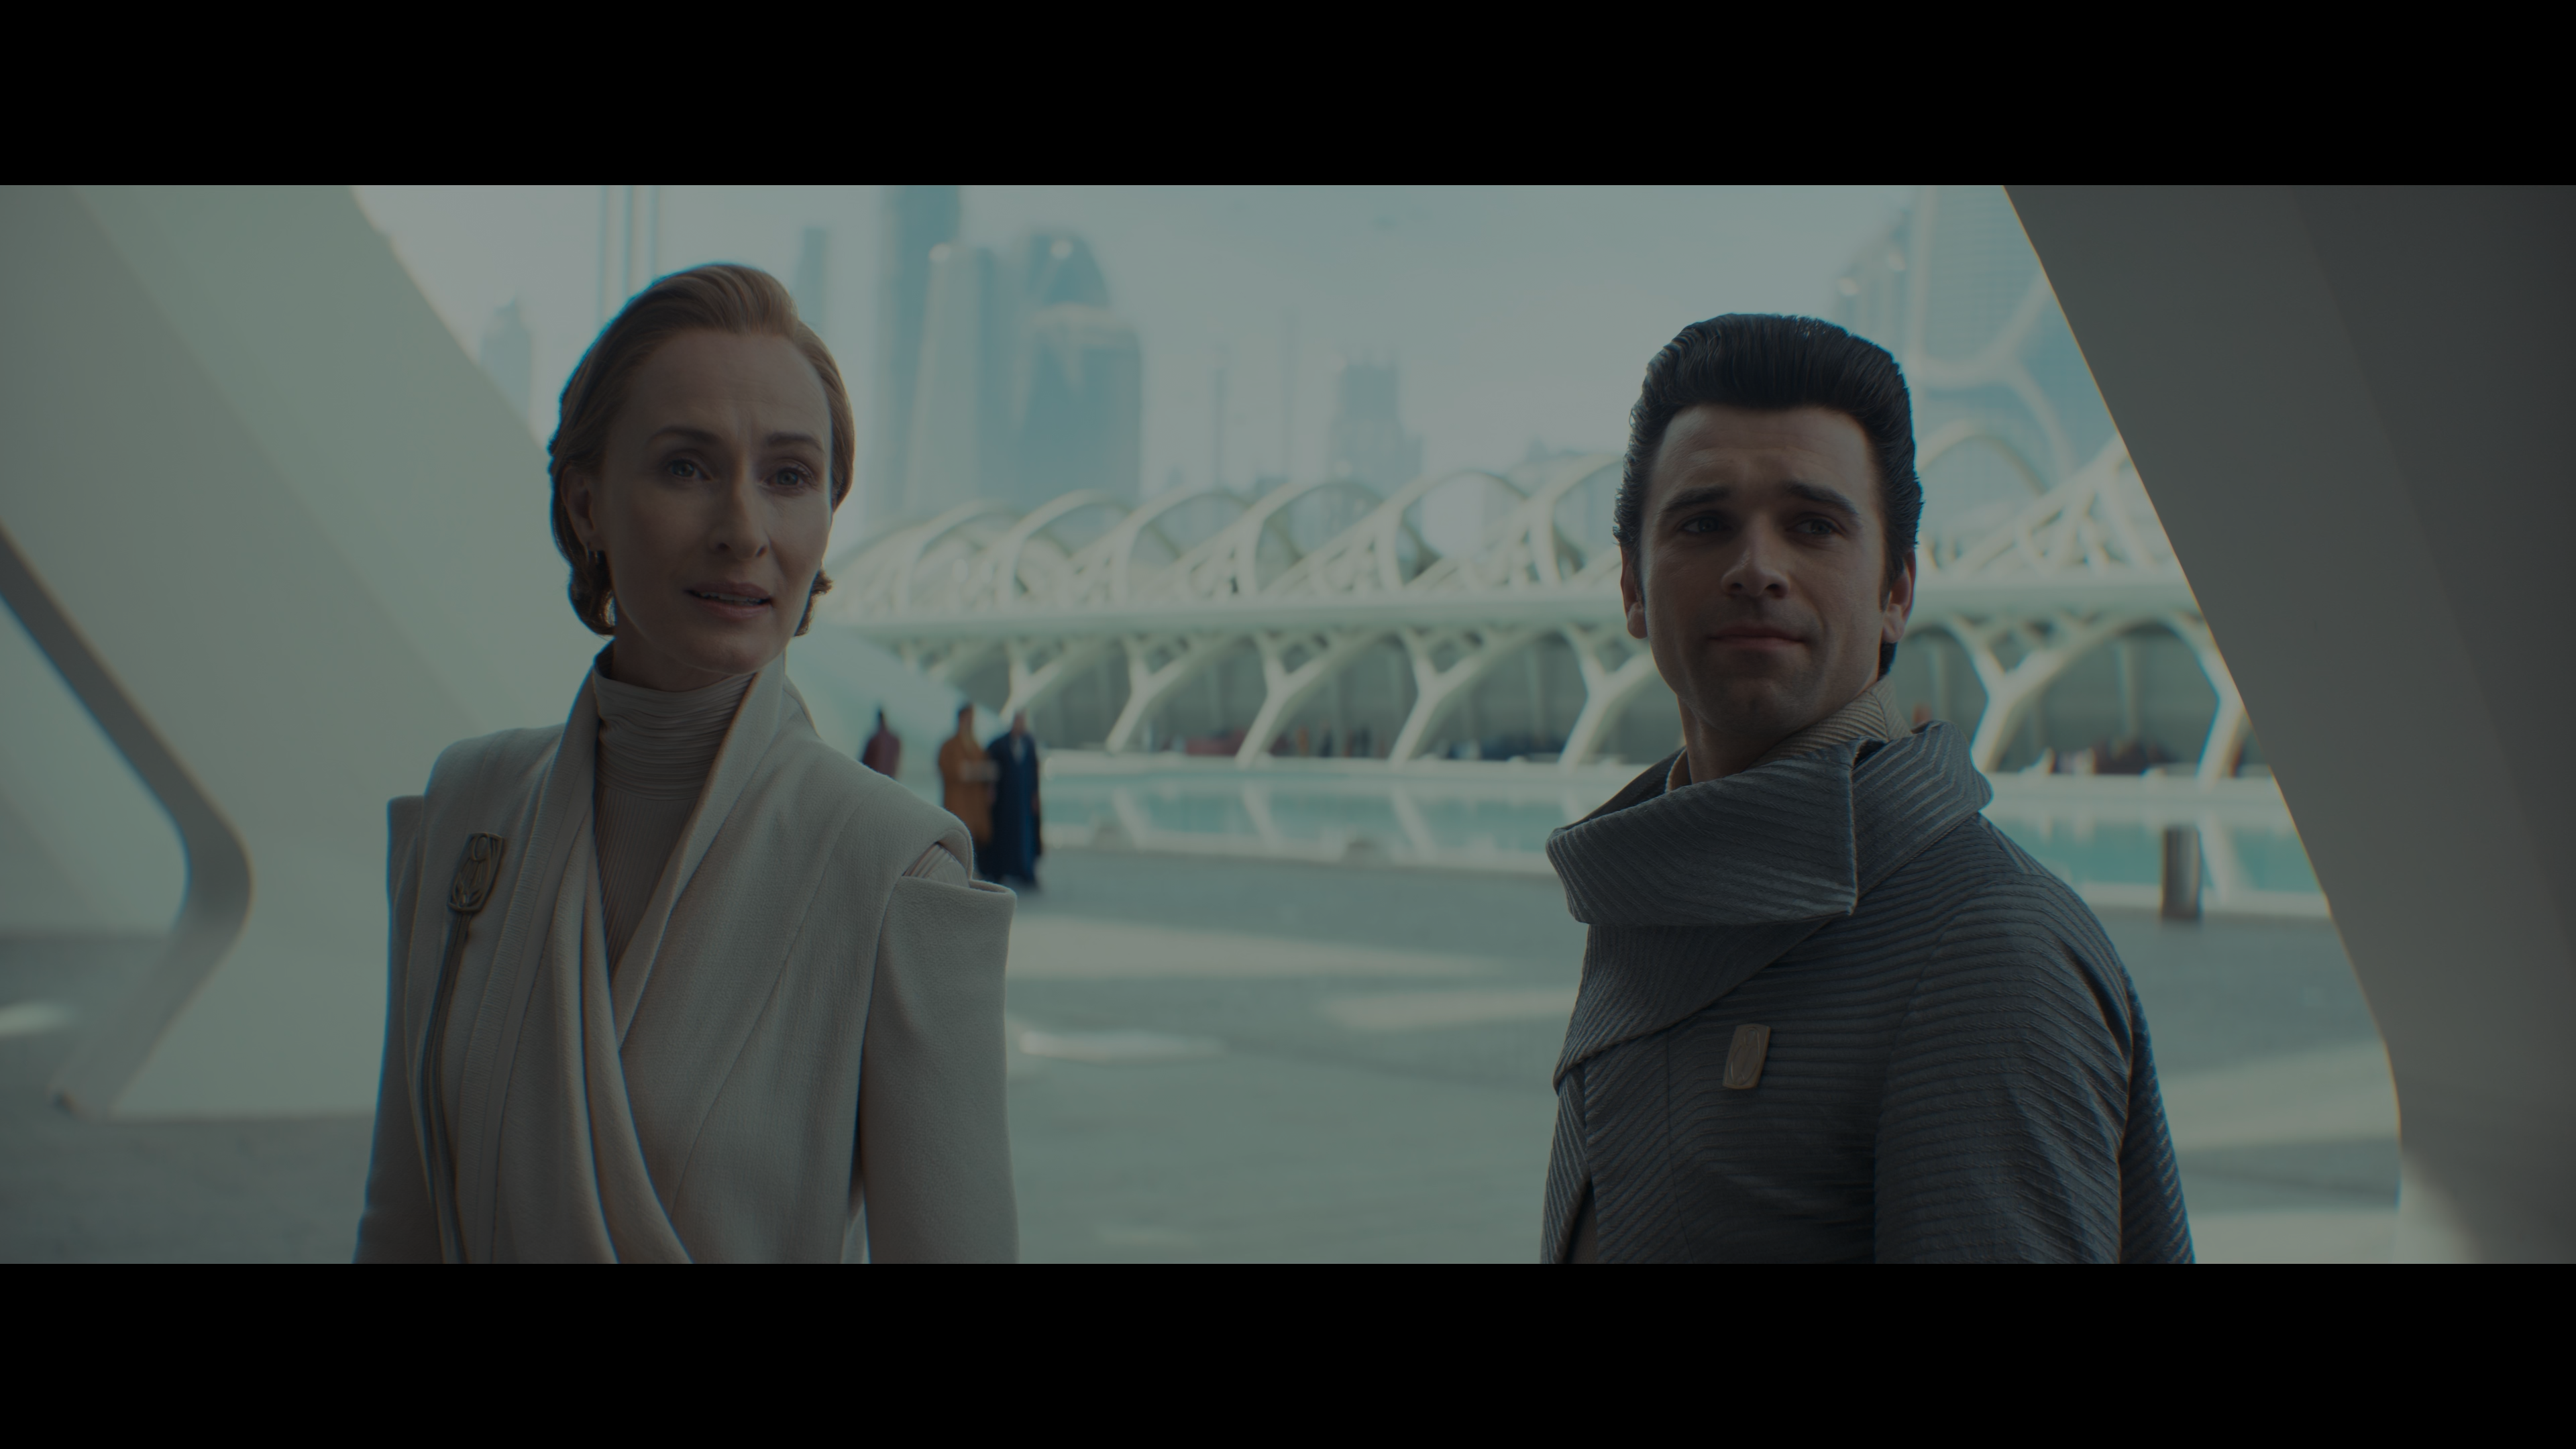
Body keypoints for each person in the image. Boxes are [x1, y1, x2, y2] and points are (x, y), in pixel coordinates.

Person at [356, 265, 1018, 1263]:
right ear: (586, 503)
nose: (745, 532)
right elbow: (399, 1223)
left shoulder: (899, 874)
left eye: (788, 477)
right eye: (686, 467)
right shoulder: (465, 809)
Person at [1542, 315, 2188, 1263]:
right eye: (1704, 523)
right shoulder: (1651, 889)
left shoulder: (1984, 951)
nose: (1756, 569)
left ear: (1898, 591)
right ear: (1633, 589)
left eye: (1813, 525)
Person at [982, 711, 1042, 889]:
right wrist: (990, 788)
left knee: (1025, 837)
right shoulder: (1000, 744)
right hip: (1005, 800)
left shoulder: (1029, 744)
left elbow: (1034, 772)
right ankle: (1001, 870)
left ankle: (1024, 871)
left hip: (1023, 801)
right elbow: (990, 765)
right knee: (1004, 834)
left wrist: (1035, 796)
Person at [936, 703, 995, 873]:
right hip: (957, 801)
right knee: (956, 837)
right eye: (967, 718)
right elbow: (952, 770)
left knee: (972, 838)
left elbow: (985, 771)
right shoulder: (949, 746)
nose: (970, 723)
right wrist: (969, 772)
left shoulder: (976, 746)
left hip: (974, 803)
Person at [860, 708, 900, 777]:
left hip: (875, 777)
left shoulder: (875, 738)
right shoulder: (895, 740)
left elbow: (863, 763)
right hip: (889, 779)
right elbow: (896, 764)